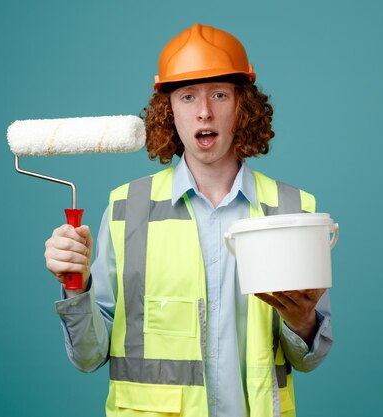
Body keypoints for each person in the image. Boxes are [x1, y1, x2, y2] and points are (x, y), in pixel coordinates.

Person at [44, 23, 333, 417]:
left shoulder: (291, 209)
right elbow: (89, 357)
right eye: (187, 96)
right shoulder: (128, 208)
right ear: (169, 111)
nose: (204, 111)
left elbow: (308, 360)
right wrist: (77, 286)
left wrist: (302, 320)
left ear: (241, 107)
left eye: (219, 94)